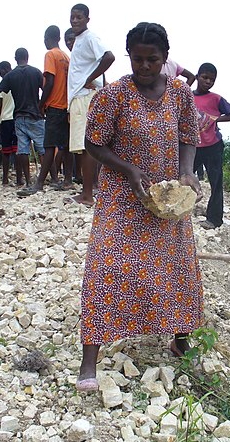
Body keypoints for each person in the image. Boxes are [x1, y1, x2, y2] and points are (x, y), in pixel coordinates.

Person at [76, 22, 204, 392]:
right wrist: (129, 170)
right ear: (129, 56)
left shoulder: (180, 94)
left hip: (165, 199)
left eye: (153, 60)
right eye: (138, 59)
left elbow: (188, 137)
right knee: (105, 268)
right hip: (122, 195)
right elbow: (94, 143)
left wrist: (186, 173)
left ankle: (180, 341)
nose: (145, 66)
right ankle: (89, 362)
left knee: (177, 267)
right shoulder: (113, 96)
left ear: (165, 59)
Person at [0, 48, 45, 187]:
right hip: (35, 115)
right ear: (27, 57)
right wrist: (41, 106)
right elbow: (46, 89)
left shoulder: (10, 77)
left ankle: (28, 182)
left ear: (15, 58)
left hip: (18, 117)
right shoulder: (36, 72)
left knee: (21, 150)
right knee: (41, 148)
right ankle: (47, 179)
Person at [66, 3, 115, 206]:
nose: (75, 20)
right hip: (81, 96)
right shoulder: (79, 40)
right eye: (72, 17)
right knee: (85, 145)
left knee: (86, 145)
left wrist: (90, 78)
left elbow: (109, 56)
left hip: (84, 95)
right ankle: (90, 190)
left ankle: (87, 195)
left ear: (87, 18)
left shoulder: (90, 37)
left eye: (79, 17)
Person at [18, 26, 72, 195]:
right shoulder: (66, 57)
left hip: (54, 105)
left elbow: (49, 81)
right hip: (66, 105)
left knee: (48, 145)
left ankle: (39, 184)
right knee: (65, 146)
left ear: (47, 38)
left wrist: (41, 104)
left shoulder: (50, 55)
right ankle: (67, 180)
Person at [193, 63, 230, 229]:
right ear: (197, 76)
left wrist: (216, 119)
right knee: (182, 177)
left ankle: (213, 220)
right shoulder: (188, 97)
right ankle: (178, 213)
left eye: (212, 80)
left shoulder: (216, 99)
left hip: (213, 146)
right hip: (193, 146)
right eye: (205, 77)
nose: (208, 82)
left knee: (216, 183)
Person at [0, 61, 20, 186]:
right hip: (16, 118)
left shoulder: (2, 83)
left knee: (7, 150)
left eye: (0, 70)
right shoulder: (17, 80)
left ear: (6, 69)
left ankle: (5, 179)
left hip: (6, 119)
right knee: (16, 150)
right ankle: (19, 178)